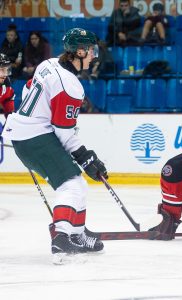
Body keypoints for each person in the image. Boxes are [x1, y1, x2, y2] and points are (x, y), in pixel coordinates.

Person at [1, 28, 108, 264]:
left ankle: (77, 233)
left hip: (29, 132)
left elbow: (28, 88)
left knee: (77, 183)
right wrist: (85, 156)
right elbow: (64, 132)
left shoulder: (48, 63)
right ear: (79, 51)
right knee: (70, 184)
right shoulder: (71, 86)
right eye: (91, 51)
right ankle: (61, 236)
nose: (94, 55)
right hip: (35, 137)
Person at [0, 53, 15, 121]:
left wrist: (10, 119)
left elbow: (8, 99)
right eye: (2, 70)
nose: (5, 74)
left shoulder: (6, 84)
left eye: (6, 70)